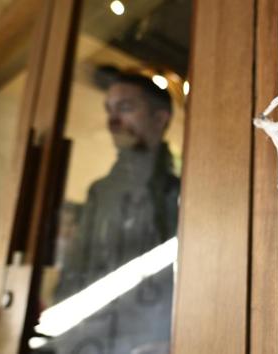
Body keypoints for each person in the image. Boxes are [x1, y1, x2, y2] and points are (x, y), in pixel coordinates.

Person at [48, 72, 180, 354]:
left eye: (126, 108)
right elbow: (74, 271)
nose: (112, 121)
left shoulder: (181, 191)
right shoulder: (100, 193)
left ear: (160, 118)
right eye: (109, 109)